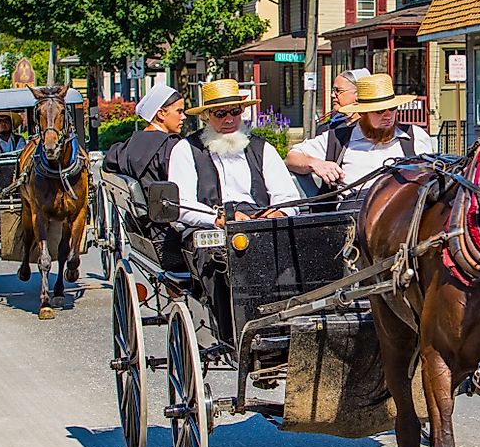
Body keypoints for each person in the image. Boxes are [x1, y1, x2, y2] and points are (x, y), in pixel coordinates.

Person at [168, 78, 301, 345]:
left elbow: (288, 197)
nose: (229, 119)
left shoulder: (263, 148)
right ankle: (230, 335)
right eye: (220, 114)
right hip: (210, 226)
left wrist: (275, 214)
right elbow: (182, 203)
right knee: (217, 259)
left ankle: (289, 330)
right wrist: (218, 219)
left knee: (297, 252)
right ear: (206, 116)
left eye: (235, 112)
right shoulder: (186, 150)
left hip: (258, 224)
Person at [286, 72, 434, 197]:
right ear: (363, 112)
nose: (388, 116)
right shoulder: (338, 139)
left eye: (392, 108)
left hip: (404, 217)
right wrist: (315, 163)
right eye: (380, 111)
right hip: (353, 215)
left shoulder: (414, 136)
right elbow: (291, 158)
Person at [100, 83, 189, 270]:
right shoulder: (172, 147)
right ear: (161, 114)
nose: (183, 117)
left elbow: (108, 162)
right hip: (170, 233)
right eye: (179, 111)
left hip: (142, 228)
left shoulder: (126, 147)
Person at [315, 67, 371, 135]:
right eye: (333, 90)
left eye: (338, 90)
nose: (332, 95)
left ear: (358, 95)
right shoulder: (328, 128)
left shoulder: (370, 129)